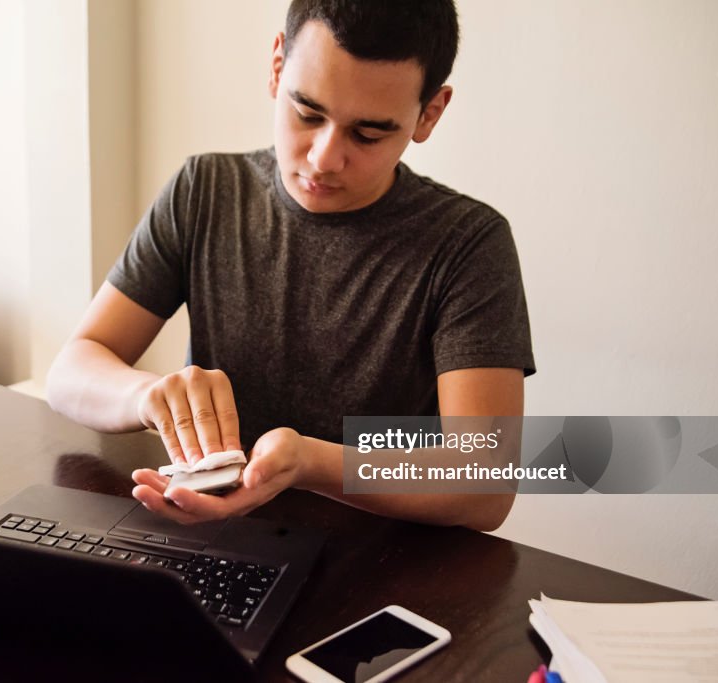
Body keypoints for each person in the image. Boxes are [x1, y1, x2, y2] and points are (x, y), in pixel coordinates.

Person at [47, 0, 535, 532]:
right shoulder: (205, 191)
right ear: (277, 66)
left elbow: (486, 481)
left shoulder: (467, 244)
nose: (324, 158)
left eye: (367, 135)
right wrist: (144, 396)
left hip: (380, 567)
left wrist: (310, 463)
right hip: (211, 538)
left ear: (429, 114)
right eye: (307, 113)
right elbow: (72, 370)